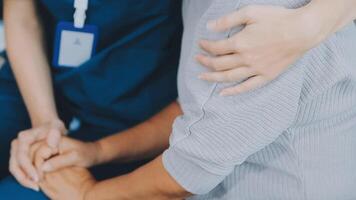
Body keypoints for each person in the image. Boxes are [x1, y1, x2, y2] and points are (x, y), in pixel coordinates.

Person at [1, 0, 356, 199]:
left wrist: (87, 194)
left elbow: (187, 170)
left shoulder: (241, 17)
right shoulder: (201, 7)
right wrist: (93, 150)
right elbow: (194, 110)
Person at [0, 0, 182, 191]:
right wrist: (44, 122)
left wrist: (97, 155)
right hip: (34, 78)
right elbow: (21, 13)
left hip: (134, 114)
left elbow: (198, 110)